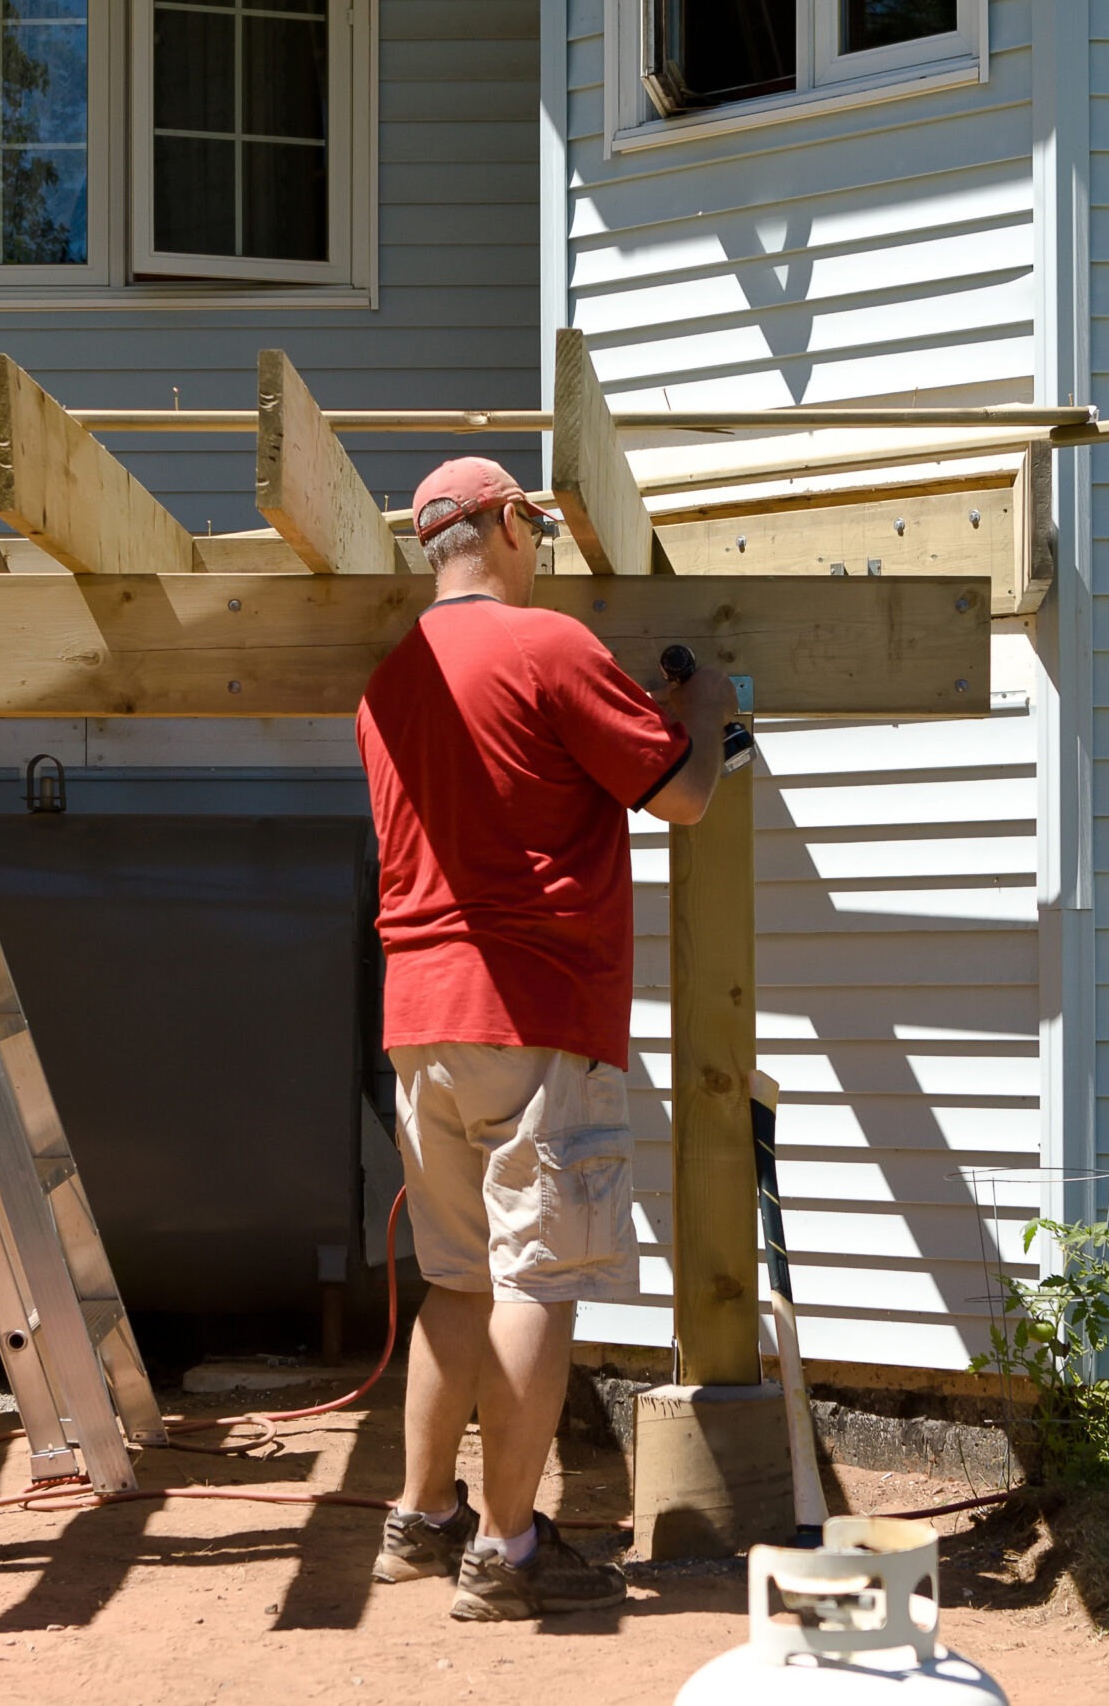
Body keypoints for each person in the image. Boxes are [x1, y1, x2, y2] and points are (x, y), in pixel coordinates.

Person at [355, 455, 737, 1621]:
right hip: (535, 1014)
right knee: (536, 1285)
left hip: (422, 1019)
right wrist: (708, 713)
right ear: (510, 527)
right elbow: (681, 794)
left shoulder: (386, 682)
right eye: (539, 524)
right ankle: (510, 1551)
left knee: (458, 1282)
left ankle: (420, 1522)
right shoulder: (549, 646)